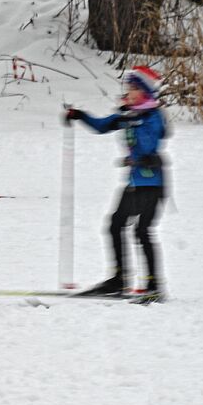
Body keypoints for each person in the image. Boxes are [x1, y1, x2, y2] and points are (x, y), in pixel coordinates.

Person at [65, 65, 169, 302]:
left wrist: (134, 123)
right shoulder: (128, 116)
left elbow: (150, 144)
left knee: (142, 231)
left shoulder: (152, 118)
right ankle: (118, 281)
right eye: (128, 87)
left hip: (153, 184)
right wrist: (79, 115)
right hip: (133, 183)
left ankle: (154, 285)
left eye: (133, 88)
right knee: (114, 225)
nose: (127, 91)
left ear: (144, 92)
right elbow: (102, 126)